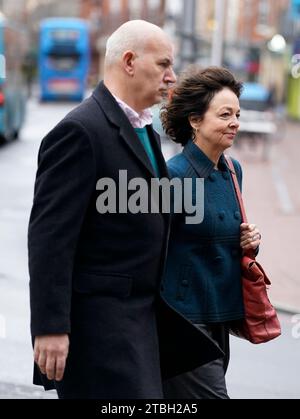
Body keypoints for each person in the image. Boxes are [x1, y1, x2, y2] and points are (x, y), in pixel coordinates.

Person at [28, 22, 222, 399]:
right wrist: (50, 327)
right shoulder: (80, 131)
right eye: (164, 64)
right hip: (101, 329)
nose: (172, 76)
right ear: (130, 61)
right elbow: (50, 239)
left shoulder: (145, 130)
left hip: (142, 323)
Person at [160, 67, 262, 399]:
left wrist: (249, 244)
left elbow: (222, 236)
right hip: (183, 321)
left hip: (222, 315)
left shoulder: (233, 171)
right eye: (224, 114)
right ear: (195, 121)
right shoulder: (171, 178)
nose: (235, 122)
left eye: (237, 114)